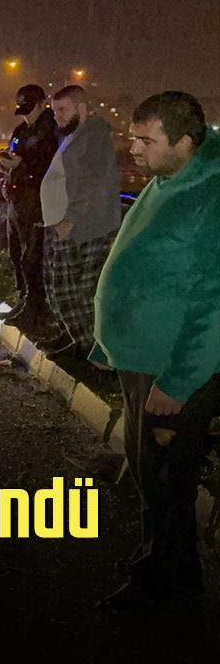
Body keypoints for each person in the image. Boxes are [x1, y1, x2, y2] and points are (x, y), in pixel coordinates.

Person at [91, 92, 220, 609]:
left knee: (165, 481)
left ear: (185, 142)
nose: (134, 149)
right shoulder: (173, 177)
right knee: (153, 473)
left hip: (171, 368)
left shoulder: (210, 195)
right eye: (133, 137)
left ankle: (158, 588)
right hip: (144, 359)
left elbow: (214, 304)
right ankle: (174, 571)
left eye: (146, 140)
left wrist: (179, 382)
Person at [36, 85, 122, 357]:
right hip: (63, 225)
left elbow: (92, 183)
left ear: (82, 108)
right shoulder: (75, 135)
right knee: (60, 288)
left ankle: (89, 351)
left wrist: (70, 220)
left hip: (83, 227)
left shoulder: (94, 136)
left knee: (77, 293)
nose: (57, 116)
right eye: (54, 111)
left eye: (63, 110)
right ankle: (74, 340)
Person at [0, 84, 58, 331]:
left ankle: (36, 309)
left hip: (38, 201)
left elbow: (52, 169)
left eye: (30, 110)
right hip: (17, 199)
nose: (26, 116)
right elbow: (13, 153)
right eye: (23, 110)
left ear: (43, 104)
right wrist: (6, 164)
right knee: (17, 254)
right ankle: (24, 300)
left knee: (33, 258)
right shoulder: (21, 130)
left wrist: (23, 165)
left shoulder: (53, 131)